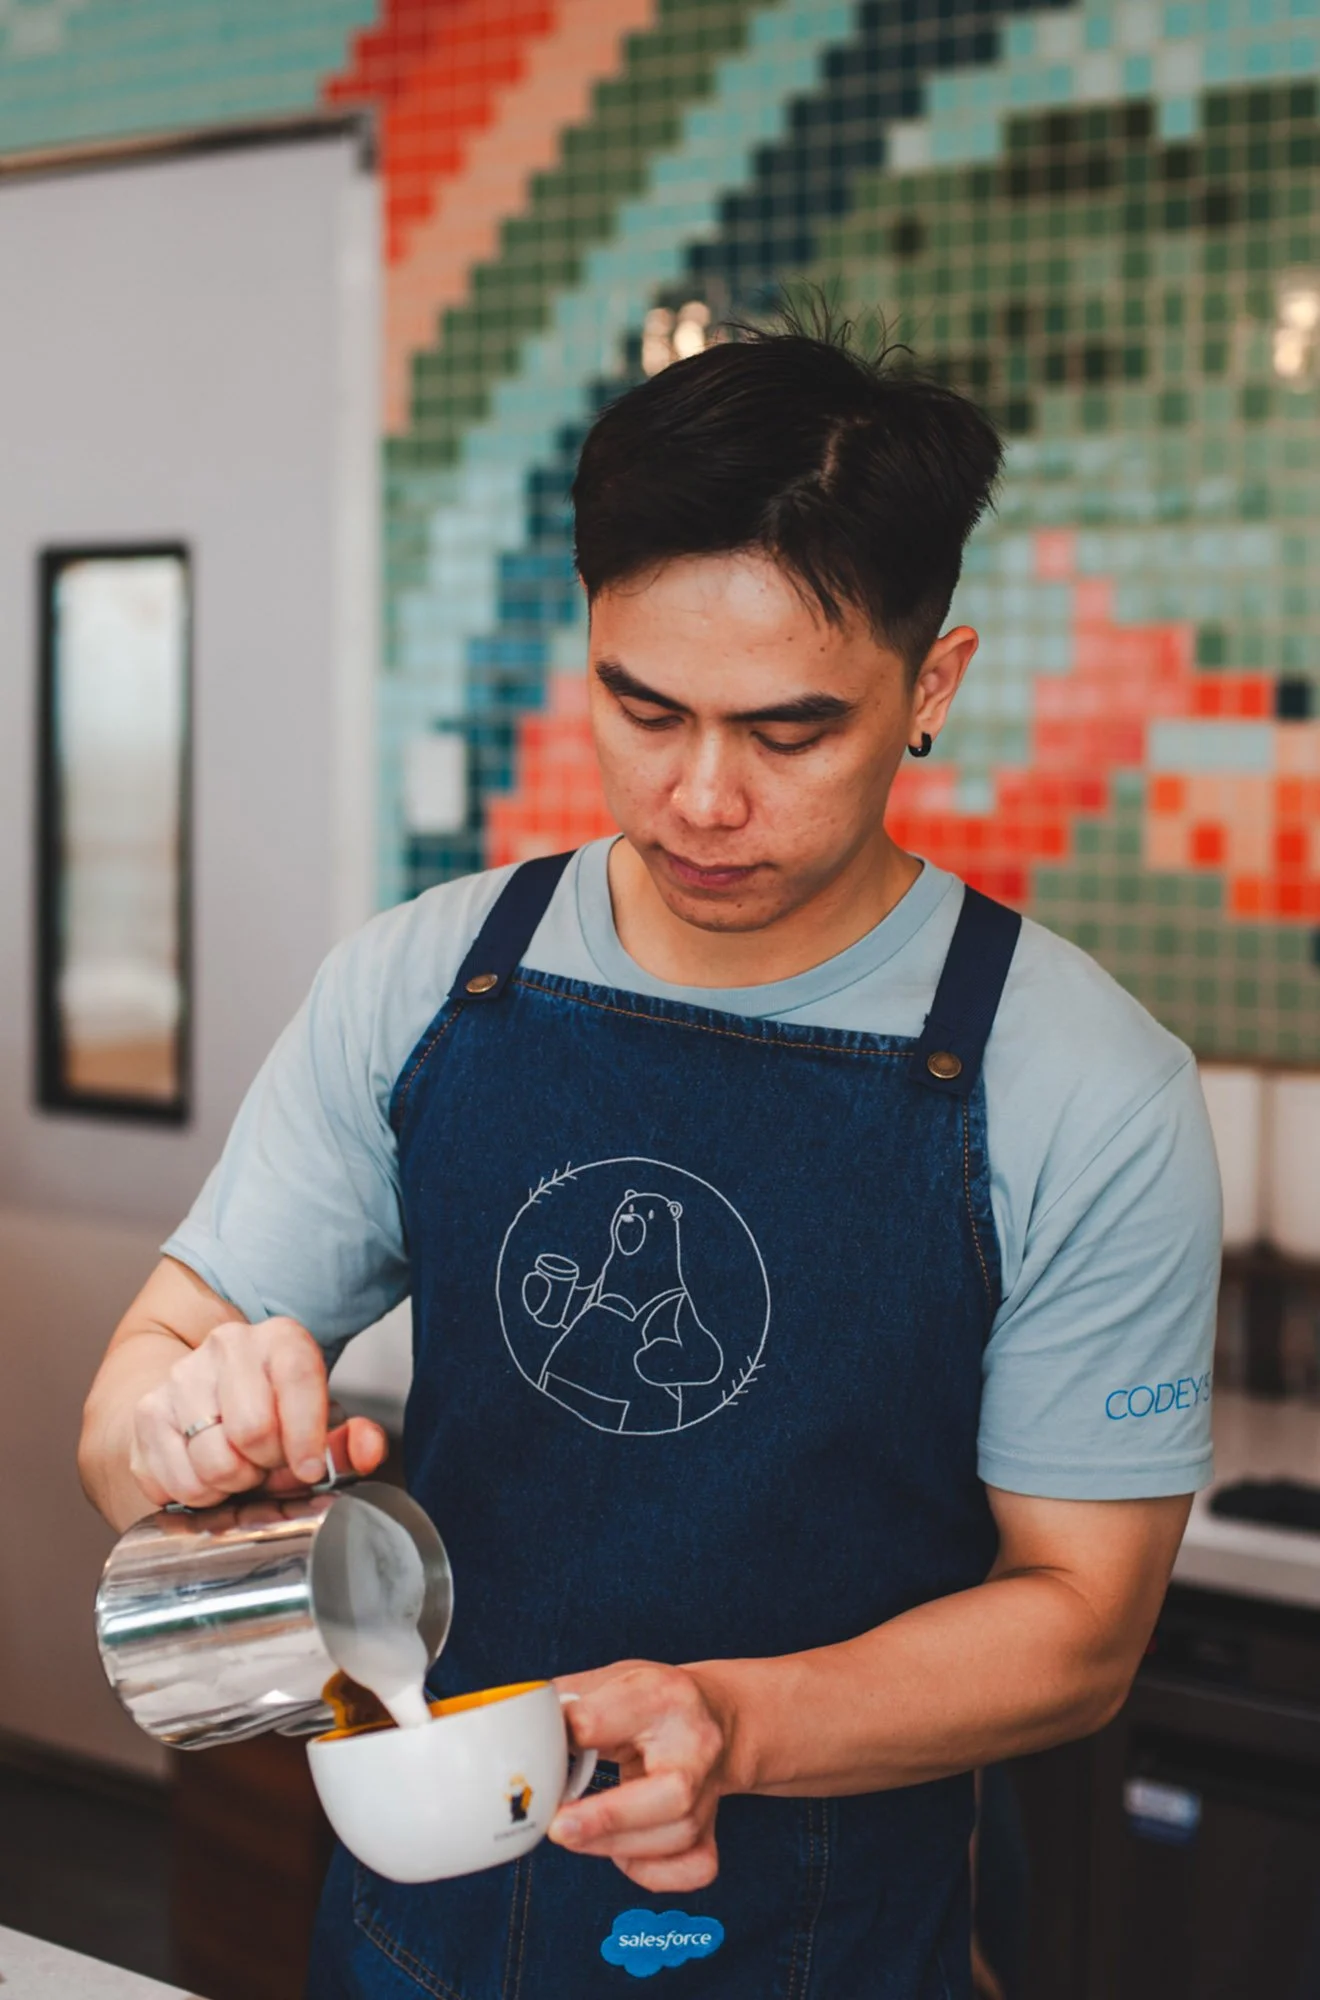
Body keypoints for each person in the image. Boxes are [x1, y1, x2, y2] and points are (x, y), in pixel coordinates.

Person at [79, 313, 1221, 2000]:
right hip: (419, 1933)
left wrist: (740, 1722)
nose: (699, 798)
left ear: (934, 685)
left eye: (788, 732)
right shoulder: (428, 984)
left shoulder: (1081, 1083)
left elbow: (1080, 1622)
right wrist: (188, 1435)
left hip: (822, 1938)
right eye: (642, 705)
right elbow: (131, 1408)